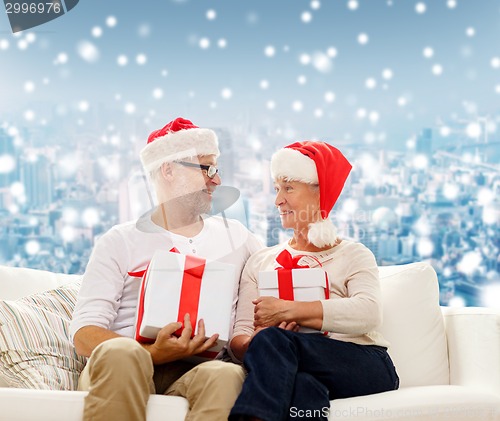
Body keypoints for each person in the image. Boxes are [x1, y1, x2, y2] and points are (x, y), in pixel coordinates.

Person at [69, 117, 263, 421]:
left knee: (226, 376)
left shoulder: (237, 237)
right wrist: (150, 353)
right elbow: (84, 334)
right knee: (123, 354)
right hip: (124, 365)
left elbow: (272, 276)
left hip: (194, 372)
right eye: (207, 168)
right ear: (168, 170)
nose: (217, 180)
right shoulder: (121, 240)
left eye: (216, 169)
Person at [228, 141, 399, 421]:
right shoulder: (261, 261)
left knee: (276, 341)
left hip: (364, 363)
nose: (278, 200)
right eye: (277, 189)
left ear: (321, 193)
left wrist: (289, 310)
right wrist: (253, 344)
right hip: (292, 363)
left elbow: (369, 312)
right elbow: (240, 336)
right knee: (303, 385)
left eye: (289, 188)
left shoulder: (353, 253)